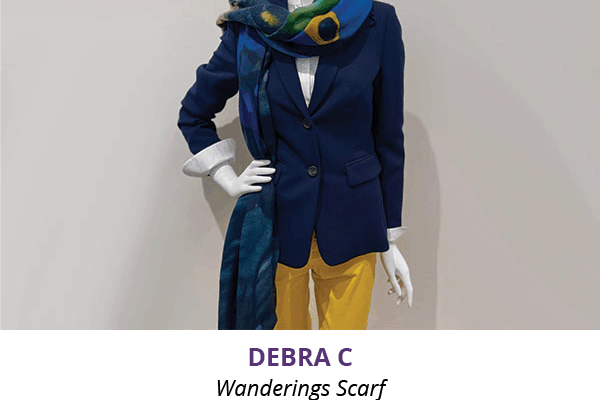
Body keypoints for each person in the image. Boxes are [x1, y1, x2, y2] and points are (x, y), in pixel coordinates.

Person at [178, 0, 413, 330]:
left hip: (355, 221)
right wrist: (227, 177)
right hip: (277, 227)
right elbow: (194, 114)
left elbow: (388, 135)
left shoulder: (375, 19)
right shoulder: (252, 27)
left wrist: (389, 234)